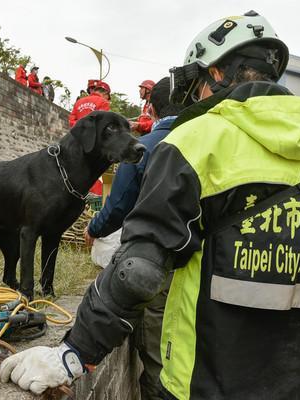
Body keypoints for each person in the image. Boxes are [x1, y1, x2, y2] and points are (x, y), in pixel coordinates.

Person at [0, 11, 300, 400]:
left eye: (196, 85)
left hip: (206, 384)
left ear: (217, 75)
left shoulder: (196, 141)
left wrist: (74, 354)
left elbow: (138, 270)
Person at [83, 77, 183, 399]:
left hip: (153, 268)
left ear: (151, 107)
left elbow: (117, 206)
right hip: (200, 269)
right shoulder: (210, 143)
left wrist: (93, 229)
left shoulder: (146, 147)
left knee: (156, 359)